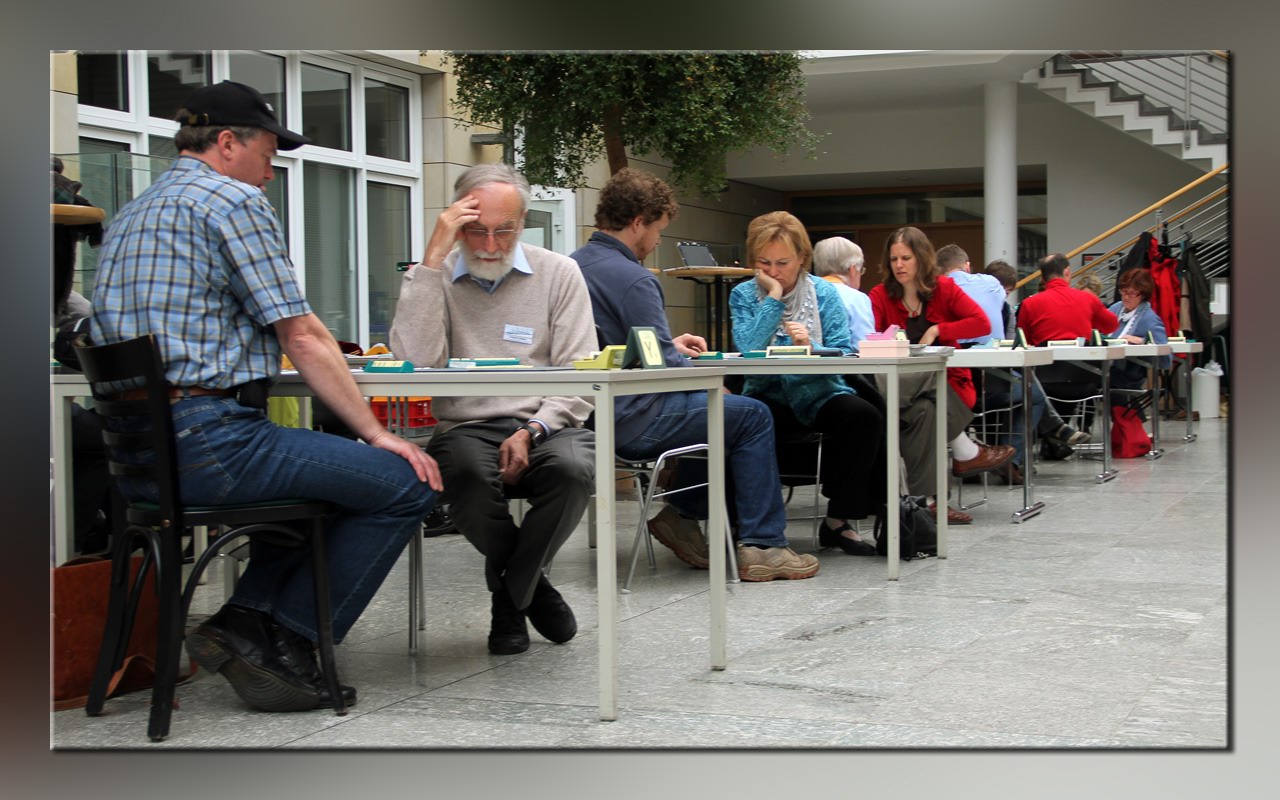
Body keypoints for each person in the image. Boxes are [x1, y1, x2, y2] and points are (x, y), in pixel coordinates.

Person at [89, 81, 442, 712]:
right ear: (228, 143)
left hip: (140, 459)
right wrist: (377, 433)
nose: (271, 172)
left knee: (331, 485)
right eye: (269, 154)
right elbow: (300, 334)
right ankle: (288, 636)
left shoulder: (132, 212)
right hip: (210, 439)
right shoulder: (231, 201)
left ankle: (245, 623)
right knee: (405, 482)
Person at [573, 169, 823, 577]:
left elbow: (611, 348)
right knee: (750, 414)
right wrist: (708, 385)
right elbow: (664, 370)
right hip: (634, 419)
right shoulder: (635, 279)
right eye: (658, 230)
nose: (658, 241)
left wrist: (670, 345)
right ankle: (763, 546)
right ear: (638, 222)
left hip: (587, 417)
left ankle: (683, 516)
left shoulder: (571, 266)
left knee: (725, 413)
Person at [390, 163, 596, 655]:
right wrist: (431, 260)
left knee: (573, 472)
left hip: (548, 422)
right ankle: (531, 588)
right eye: (474, 230)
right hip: (467, 424)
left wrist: (533, 429)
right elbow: (414, 362)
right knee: (462, 473)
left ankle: (509, 597)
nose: (488, 244)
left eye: (503, 230)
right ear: (456, 223)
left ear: (523, 222)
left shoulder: (558, 273)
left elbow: (580, 373)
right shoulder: (435, 276)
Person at [729, 211, 887, 552]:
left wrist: (811, 346)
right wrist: (773, 298)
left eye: (782, 262)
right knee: (747, 417)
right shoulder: (743, 295)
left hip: (818, 391)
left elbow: (842, 349)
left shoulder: (824, 293)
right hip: (767, 392)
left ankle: (838, 521)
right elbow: (748, 347)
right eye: (764, 263)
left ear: (802, 258)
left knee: (865, 416)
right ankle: (748, 523)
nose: (773, 271)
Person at [867, 227, 1015, 523]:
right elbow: (869, 339)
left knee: (924, 410)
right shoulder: (880, 295)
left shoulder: (944, 289)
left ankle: (929, 503)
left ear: (921, 258)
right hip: (896, 384)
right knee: (924, 388)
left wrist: (939, 329)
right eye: (894, 259)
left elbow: (982, 323)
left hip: (947, 386)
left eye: (906, 258)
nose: (899, 265)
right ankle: (965, 451)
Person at [938, 244, 1037, 485]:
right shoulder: (992, 284)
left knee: (953, 397)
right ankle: (1011, 459)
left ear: (939, 271)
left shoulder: (935, 292)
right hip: (992, 384)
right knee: (1031, 395)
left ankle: (974, 456)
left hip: (952, 390)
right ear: (968, 266)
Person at [983, 259, 1089, 472]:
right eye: (1003, 290)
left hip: (1001, 374)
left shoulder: (1008, 310)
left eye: (1008, 291)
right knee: (1030, 393)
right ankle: (1016, 458)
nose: (1004, 296)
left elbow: (1012, 343)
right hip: (983, 379)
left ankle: (1013, 458)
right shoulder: (989, 310)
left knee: (1026, 386)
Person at [1017, 252, 1121, 418]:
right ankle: (1062, 431)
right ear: (1067, 272)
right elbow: (1112, 324)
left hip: (1044, 381)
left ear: (1042, 278)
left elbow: (1024, 342)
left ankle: (1055, 431)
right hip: (1083, 381)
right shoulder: (1087, 299)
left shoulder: (1029, 304)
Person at [1106, 267, 1171, 395]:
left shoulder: (1150, 319)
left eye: (1132, 293)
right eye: (1124, 291)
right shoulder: (1115, 308)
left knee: (1084, 380)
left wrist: (1143, 342)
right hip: (1106, 369)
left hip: (1126, 376)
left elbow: (1166, 361)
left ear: (1143, 295)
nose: (1126, 297)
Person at [812, 236, 876, 346]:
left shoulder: (805, 292)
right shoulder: (857, 298)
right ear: (852, 269)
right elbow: (864, 346)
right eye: (861, 270)